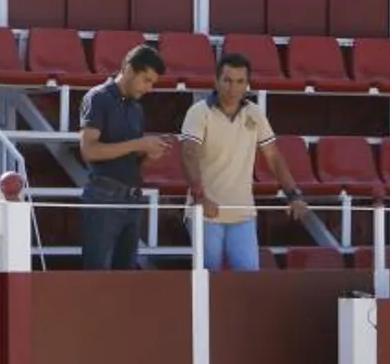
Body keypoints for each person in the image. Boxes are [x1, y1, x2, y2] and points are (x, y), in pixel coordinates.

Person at [176, 54, 310, 271]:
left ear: (247, 85)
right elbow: (188, 155)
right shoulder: (198, 112)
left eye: (240, 82)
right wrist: (201, 197)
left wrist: (293, 195)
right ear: (216, 81)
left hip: (243, 214)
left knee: (249, 280)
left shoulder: (255, 113)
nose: (233, 88)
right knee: (207, 281)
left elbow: (274, 157)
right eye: (227, 80)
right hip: (205, 213)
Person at [78, 44, 172, 270]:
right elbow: (89, 150)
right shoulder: (98, 98)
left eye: (152, 83)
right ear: (129, 70)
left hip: (131, 197)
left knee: (125, 277)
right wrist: (139, 144)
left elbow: (131, 159)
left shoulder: (136, 108)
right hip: (104, 196)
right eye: (146, 80)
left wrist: (150, 153)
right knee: (96, 274)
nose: (148, 88)